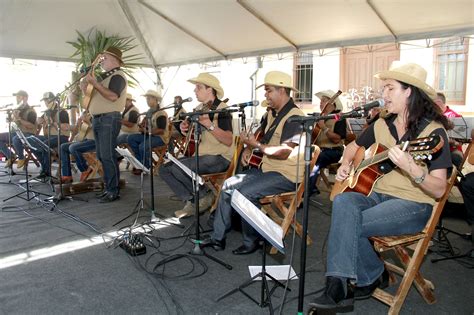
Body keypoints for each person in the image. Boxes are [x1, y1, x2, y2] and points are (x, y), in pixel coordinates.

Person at [309, 62, 452, 313]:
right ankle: (370, 274)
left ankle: (340, 285)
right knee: (343, 202)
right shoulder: (381, 124)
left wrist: (414, 169)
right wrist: (345, 164)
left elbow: (440, 189)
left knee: (347, 223)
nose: (383, 95)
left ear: (409, 91)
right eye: (383, 88)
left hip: (413, 204)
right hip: (376, 194)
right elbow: (352, 148)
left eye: (390, 88)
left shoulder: (433, 132)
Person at [201, 71, 305, 255]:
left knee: (245, 193)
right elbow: (263, 137)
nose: (265, 95)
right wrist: (249, 149)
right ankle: (218, 239)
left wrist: (255, 145)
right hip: (268, 169)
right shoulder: (273, 114)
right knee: (228, 185)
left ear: (282, 90)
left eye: (268, 90)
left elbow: (284, 152)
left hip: (287, 175)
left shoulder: (295, 117)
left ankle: (253, 240)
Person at [159, 73, 234, 218]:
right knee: (164, 169)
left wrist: (209, 125)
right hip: (202, 155)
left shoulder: (222, 109)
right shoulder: (200, 108)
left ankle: (205, 195)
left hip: (220, 157)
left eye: (198, 87)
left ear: (210, 89)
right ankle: (194, 200)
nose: (195, 91)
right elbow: (188, 129)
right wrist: (184, 127)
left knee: (180, 168)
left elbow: (229, 140)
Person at [83, 46, 127, 203]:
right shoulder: (104, 77)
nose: (102, 61)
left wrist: (96, 83)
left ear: (115, 60)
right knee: (102, 155)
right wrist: (87, 80)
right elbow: (86, 94)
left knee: (108, 156)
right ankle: (109, 187)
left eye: (105, 58)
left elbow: (113, 96)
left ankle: (113, 190)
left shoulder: (118, 76)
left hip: (109, 119)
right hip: (99, 119)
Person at [308, 90, 346, 195]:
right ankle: (308, 187)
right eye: (321, 101)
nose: (321, 103)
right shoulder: (320, 117)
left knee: (315, 160)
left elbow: (337, 139)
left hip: (334, 151)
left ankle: (306, 192)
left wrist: (323, 127)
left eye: (324, 101)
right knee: (304, 156)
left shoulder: (339, 118)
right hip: (319, 150)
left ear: (331, 104)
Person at [28, 92, 70, 179]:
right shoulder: (47, 112)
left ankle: (46, 171)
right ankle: (44, 164)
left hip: (61, 137)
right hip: (49, 136)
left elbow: (66, 128)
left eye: (47, 100)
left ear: (53, 100)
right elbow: (39, 122)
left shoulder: (62, 112)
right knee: (31, 140)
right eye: (44, 100)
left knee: (44, 145)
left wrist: (53, 123)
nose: (45, 102)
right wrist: (38, 120)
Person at [127, 90, 169, 174]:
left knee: (143, 146)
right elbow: (144, 125)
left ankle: (145, 167)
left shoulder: (161, 113)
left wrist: (146, 130)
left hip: (160, 138)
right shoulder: (149, 112)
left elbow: (161, 130)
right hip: (150, 135)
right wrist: (142, 126)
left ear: (156, 100)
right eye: (147, 99)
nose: (147, 101)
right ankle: (140, 163)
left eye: (149, 99)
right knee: (130, 138)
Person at [0, 90, 37, 169]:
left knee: (15, 139)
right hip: (16, 133)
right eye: (16, 97)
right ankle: (10, 156)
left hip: (27, 134)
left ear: (25, 98)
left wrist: (19, 119)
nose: (17, 99)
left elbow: (31, 126)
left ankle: (21, 158)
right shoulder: (17, 109)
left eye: (19, 97)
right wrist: (10, 120)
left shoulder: (31, 111)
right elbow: (15, 124)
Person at [60, 111, 96, 183]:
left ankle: (85, 170)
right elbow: (81, 135)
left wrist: (88, 122)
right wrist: (78, 125)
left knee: (73, 148)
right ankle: (67, 175)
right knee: (63, 146)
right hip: (85, 140)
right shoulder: (86, 114)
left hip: (94, 141)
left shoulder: (95, 114)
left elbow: (98, 129)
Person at [434, 92, 463, 167]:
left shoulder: (455, 116)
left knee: (456, 158)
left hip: (453, 149)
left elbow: (462, 138)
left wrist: (455, 142)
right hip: (436, 148)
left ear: (439, 102)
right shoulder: (432, 115)